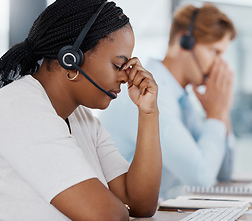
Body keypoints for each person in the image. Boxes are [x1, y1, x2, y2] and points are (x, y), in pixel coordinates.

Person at [0, 0, 161, 221]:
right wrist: (118, 207)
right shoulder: (20, 107)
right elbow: (106, 214)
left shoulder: (81, 118)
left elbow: (141, 204)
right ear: (71, 58)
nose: (125, 77)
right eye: (119, 64)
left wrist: (148, 113)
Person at [100, 3, 236, 199]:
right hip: (131, 217)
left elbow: (223, 173)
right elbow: (201, 178)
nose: (220, 64)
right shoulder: (150, 92)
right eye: (214, 52)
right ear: (184, 42)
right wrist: (216, 114)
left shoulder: (181, 99)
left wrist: (221, 112)